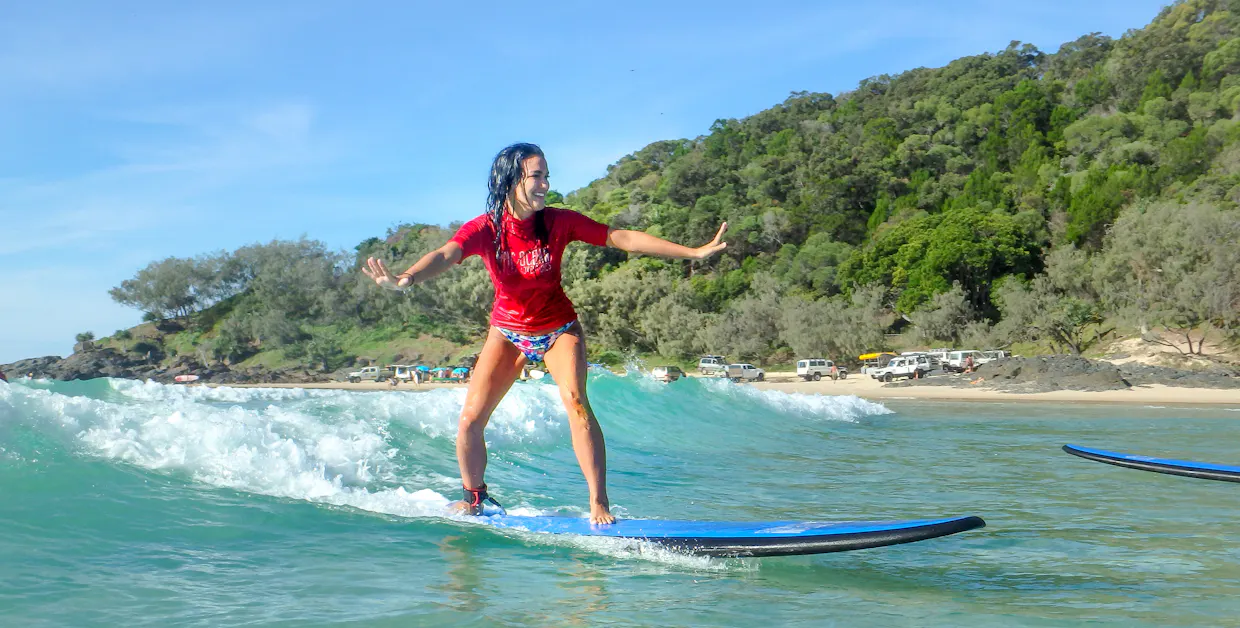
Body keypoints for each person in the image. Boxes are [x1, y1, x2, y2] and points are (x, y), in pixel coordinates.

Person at [363, 142, 727, 524]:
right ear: (511, 180)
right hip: (507, 331)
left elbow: (622, 237)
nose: (545, 185)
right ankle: (474, 498)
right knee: (471, 419)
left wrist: (693, 252)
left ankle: (599, 503)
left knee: (576, 402)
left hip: (558, 329)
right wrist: (406, 279)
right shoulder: (486, 228)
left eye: (546, 176)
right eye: (537, 176)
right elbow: (445, 254)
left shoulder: (558, 222)